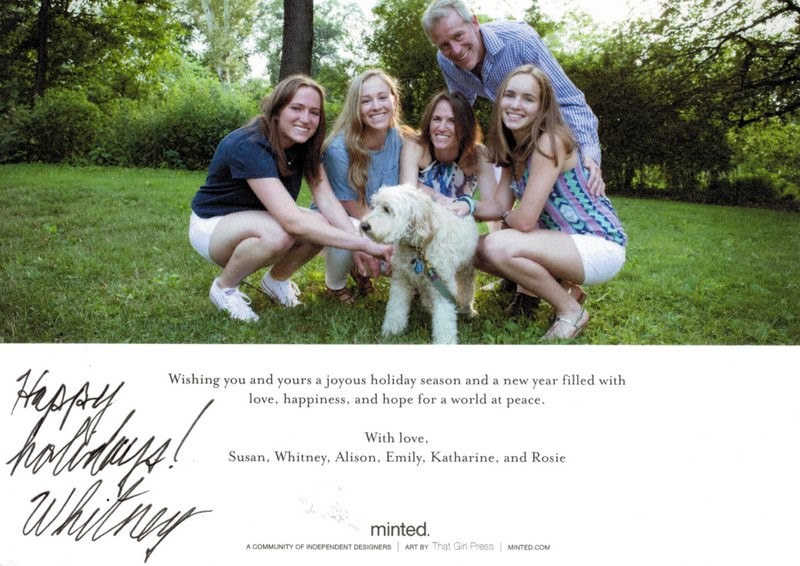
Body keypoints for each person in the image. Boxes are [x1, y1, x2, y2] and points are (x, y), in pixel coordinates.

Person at [189, 74, 392, 322]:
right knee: (280, 233)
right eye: (296, 108)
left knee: (320, 222)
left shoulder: (304, 145)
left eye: (314, 112)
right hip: (213, 226)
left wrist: (357, 238)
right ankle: (225, 288)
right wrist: (364, 245)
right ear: (276, 110)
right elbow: (292, 221)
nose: (305, 119)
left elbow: (327, 201)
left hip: (258, 218)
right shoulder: (249, 144)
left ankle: (276, 281)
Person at [454, 65, 627, 340]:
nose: (516, 105)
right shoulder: (514, 150)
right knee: (472, 248)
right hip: (562, 243)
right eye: (510, 95)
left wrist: (505, 217)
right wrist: (462, 206)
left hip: (598, 244)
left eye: (528, 99)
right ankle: (565, 289)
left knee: (497, 245)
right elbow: (498, 204)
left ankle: (571, 311)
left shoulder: (550, 141)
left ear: (542, 108)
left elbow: (523, 220)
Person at [421, 0, 605, 196]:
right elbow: (461, 109)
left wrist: (589, 155)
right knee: (532, 208)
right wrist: (431, 142)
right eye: (444, 45)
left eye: (458, 36)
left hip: (555, 140)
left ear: (474, 22)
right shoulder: (446, 61)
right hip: (516, 140)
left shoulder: (520, 40)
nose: (456, 50)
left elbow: (569, 100)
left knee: (571, 203)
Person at [321, 69, 405, 304]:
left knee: (408, 256)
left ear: (394, 100)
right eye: (366, 101)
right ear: (355, 108)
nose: (376, 106)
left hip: (381, 219)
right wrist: (389, 240)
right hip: (340, 220)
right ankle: (335, 284)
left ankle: (362, 269)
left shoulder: (399, 139)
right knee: (356, 231)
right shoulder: (339, 149)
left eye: (382, 97)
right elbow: (352, 207)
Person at [399, 90, 496, 205]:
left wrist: (468, 205)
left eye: (452, 121)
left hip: (457, 216)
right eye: (437, 119)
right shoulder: (414, 146)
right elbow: (407, 194)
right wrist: (441, 199)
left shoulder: (479, 155)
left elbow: (492, 206)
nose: (442, 128)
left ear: (465, 127)